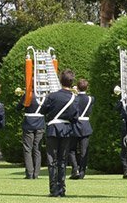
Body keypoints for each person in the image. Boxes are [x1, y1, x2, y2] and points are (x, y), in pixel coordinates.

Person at [42, 68, 79, 198]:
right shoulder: (74, 98)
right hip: (66, 129)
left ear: (60, 80)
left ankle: (53, 189)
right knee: (62, 160)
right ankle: (62, 188)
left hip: (53, 128)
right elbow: (75, 117)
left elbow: (42, 111)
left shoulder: (52, 96)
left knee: (52, 160)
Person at [68, 78, 94, 180]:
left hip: (75, 124)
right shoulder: (91, 99)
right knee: (84, 151)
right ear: (87, 88)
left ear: (77, 87)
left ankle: (75, 169)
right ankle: (82, 172)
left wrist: (74, 93)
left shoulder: (74, 98)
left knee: (72, 150)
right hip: (86, 125)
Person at [19, 88, 46, 180]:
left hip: (28, 123)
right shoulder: (44, 96)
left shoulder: (28, 95)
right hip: (40, 123)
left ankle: (29, 173)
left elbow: (18, 108)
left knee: (27, 149)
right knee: (37, 149)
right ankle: (36, 173)